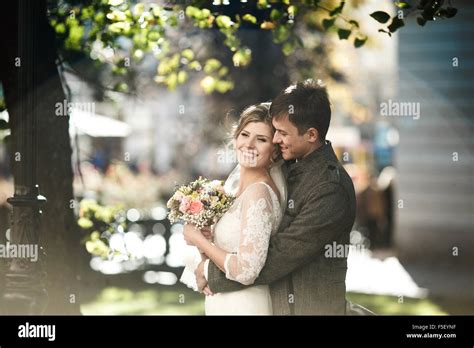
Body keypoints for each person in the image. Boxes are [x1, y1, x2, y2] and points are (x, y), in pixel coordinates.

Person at [194, 79, 357, 315]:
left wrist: (209, 273)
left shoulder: (330, 188)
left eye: (282, 133)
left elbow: (278, 257)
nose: (276, 141)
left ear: (311, 134)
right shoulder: (288, 167)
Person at [182, 103, 286, 314]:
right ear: (235, 137)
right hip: (224, 302)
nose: (249, 145)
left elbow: (247, 270)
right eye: (245, 134)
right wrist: (206, 241)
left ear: (274, 150)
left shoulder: (259, 193)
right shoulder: (235, 190)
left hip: (245, 305)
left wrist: (198, 239)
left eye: (262, 139)